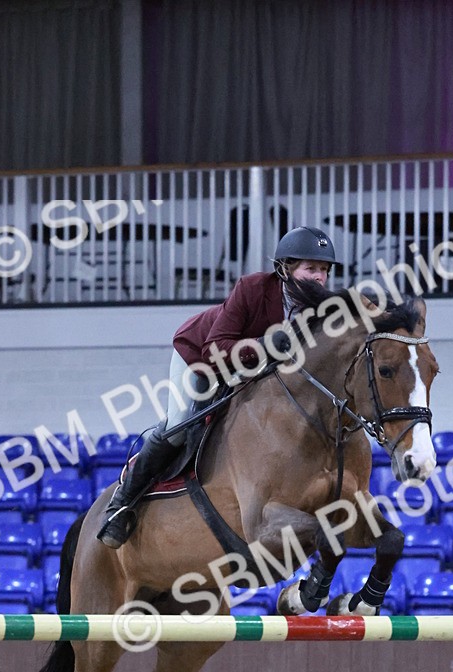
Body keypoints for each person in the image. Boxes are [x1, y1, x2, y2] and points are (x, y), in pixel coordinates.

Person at [97, 226, 340, 549]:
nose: (319, 278)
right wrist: (265, 344)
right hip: (199, 356)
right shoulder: (252, 289)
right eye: (311, 268)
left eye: (324, 270)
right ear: (285, 269)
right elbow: (215, 349)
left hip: (250, 373)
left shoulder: (320, 311)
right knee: (179, 426)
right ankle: (122, 504)